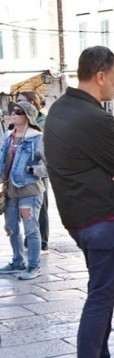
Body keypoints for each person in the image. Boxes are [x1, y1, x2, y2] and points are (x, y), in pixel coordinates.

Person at [44, 46, 114, 358]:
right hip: (105, 218)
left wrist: (105, 169)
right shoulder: (96, 118)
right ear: (100, 76)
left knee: (99, 294)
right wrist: (111, 171)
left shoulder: (59, 110)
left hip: (78, 220)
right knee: (101, 298)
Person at [0, 101, 47, 280]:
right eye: (12, 111)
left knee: (31, 229)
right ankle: (17, 261)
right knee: (11, 227)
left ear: (28, 116)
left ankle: (34, 266)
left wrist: (33, 170)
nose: (13, 113)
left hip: (30, 190)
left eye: (18, 112)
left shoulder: (37, 138)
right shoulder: (8, 136)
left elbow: (52, 165)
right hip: (10, 189)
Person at [16, 91, 49, 252]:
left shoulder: (43, 121)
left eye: (21, 101)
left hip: (38, 168)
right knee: (25, 206)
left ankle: (42, 241)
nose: (18, 104)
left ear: (31, 103)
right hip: (22, 170)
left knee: (40, 206)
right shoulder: (19, 121)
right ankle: (30, 240)